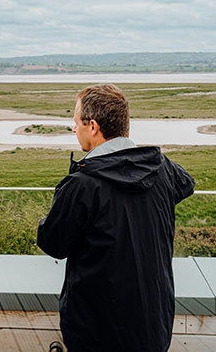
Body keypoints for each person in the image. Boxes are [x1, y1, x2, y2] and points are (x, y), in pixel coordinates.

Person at [37, 84, 195, 351]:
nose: (74, 129)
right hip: (152, 325)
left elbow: (53, 242)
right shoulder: (162, 168)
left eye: (76, 122)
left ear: (94, 127)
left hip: (97, 331)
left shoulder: (83, 185)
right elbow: (186, 184)